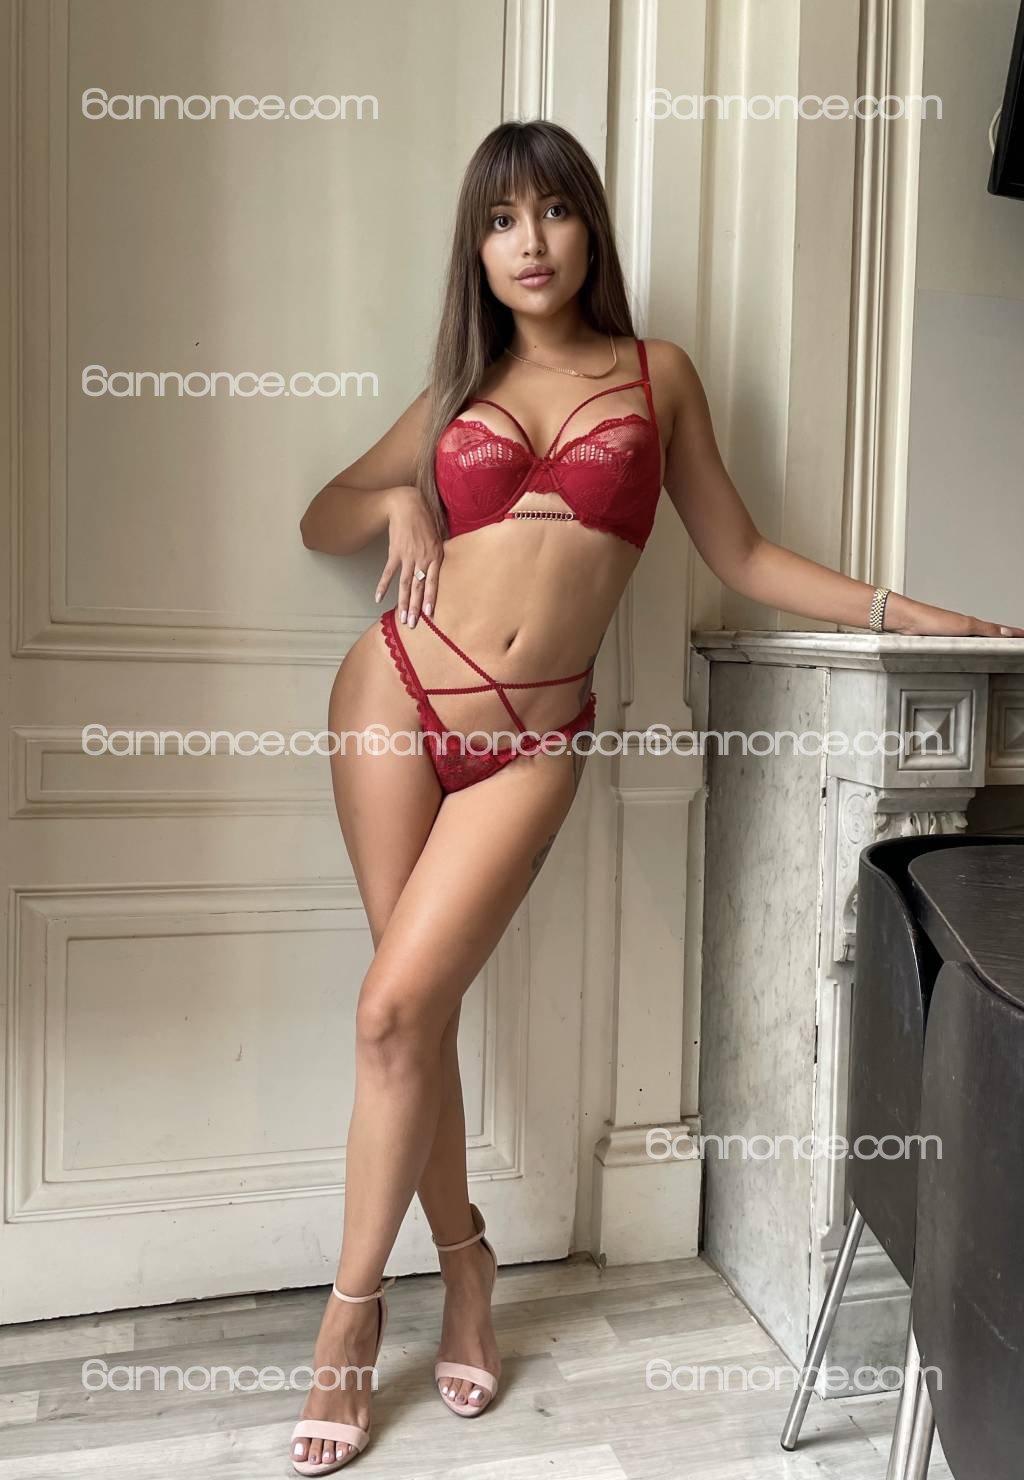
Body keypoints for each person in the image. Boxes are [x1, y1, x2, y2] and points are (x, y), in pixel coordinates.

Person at [291, 118, 1024, 1473]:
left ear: (589, 227)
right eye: (501, 220)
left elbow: (741, 551)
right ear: (476, 247)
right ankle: (412, 1292)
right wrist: (396, 504)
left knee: (395, 1012)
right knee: (408, 1019)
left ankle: (417, 1285)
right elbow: (320, 511)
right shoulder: (459, 384)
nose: (529, 242)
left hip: (533, 739)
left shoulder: (655, 375)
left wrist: (911, 610)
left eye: (553, 211)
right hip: (393, 694)